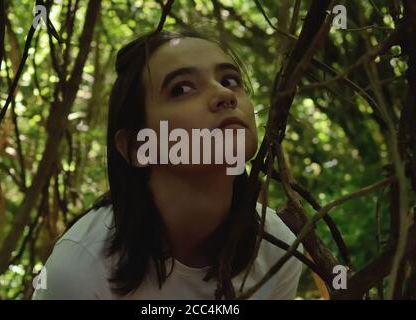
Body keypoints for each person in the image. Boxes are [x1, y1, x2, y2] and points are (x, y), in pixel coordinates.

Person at [32, 28, 302, 300]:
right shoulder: (81, 270)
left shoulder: (278, 248)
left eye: (230, 80)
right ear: (137, 147)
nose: (224, 94)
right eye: (182, 88)